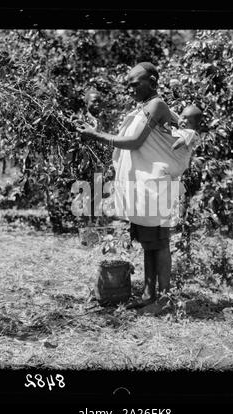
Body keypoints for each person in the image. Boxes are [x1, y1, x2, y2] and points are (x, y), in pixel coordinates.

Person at [76, 62, 189, 308]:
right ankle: (149, 295)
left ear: (153, 81)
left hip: (156, 186)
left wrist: (96, 135)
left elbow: (136, 142)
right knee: (149, 243)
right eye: (127, 85)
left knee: (160, 243)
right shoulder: (143, 108)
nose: (130, 90)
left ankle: (166, 298)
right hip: (143, 187)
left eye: (135, 84)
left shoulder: (157, 105)